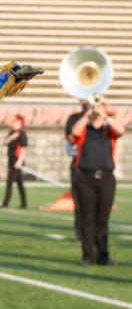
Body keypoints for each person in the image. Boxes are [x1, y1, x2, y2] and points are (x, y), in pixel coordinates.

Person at [71, 100, 124, 266]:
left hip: (107, 179)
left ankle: (103, 255)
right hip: (85, 178)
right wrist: (88, 114)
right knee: (87, 219)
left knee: (103, 220)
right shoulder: (84, 128)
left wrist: (104, 115)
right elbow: (75, 132)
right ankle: (88, 256)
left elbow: (121, 130)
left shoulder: (109, 130)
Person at [65, 100, 89, 240]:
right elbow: (71, 138)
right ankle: (80, 230)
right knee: (79, 201)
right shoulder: (74, 118)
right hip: (79, 163)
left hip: (98, 163)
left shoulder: (102, 118)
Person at [0, 114, 28, 208]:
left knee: (9, 182)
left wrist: (19, 162)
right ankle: (24, 204)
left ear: (20, 123)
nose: (14, 124)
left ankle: (5, 203)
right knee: (20, 183)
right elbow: (4, 143)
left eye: (16, 122)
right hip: (11, 161)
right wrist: (12, 137)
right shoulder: (12, 133)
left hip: (17, 162)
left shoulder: (22, 134)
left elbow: (24, 149)